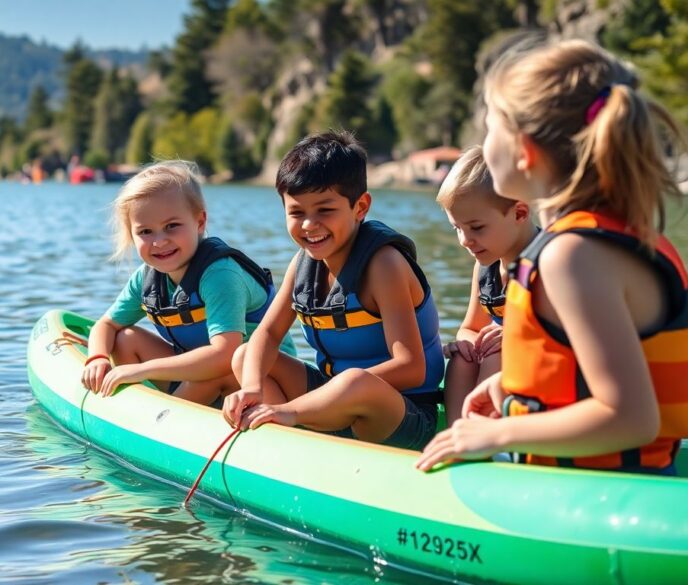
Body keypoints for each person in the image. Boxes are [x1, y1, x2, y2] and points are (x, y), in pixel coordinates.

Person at [417, 39, 688, 475]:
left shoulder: (572, 256)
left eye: (490, 131)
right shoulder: (611, 236)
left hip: (594, 493)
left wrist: (496, 434)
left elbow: (633, 418)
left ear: (524, 151)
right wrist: (510, 383)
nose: (483, 145)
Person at [221, 131, 445, 450]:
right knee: (246, 357)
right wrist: (252, 388)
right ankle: (280, 443)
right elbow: (268, 335)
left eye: (325, 210)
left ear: (360, 207)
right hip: (331, 403)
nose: (310, 225)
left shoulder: (384, 265)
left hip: (400, 414)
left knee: (357, 380)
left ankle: (285, 421)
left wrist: (297, 408)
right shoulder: (304, 265)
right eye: (297, 213)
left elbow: (411, 367)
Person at [81, 160, 296, 405]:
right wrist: (97, 358)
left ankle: (162, 426)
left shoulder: (220, 276)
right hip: (201, 377)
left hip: (265, 383)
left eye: (172, 226)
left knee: (211, 371)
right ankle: (139, 408)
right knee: (125, 338)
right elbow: (105, 325)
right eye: (145, 232)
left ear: (200, 222)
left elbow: (224, 356)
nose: (159, 241)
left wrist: (144, 370)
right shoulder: (146, 278)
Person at [436, 146, 538, 426]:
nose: (465, 240)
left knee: (495, 354)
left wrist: (511, 336)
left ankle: (483, 433)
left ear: (519, 213)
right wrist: (469, 344)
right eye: (457, 228)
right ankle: (457, 430)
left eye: (476, 228)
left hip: (535, 371)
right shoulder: (485, 265)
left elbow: (565, 335)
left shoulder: (546, 264)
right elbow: (470, 326)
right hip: (500, 361)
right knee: (461, 358)